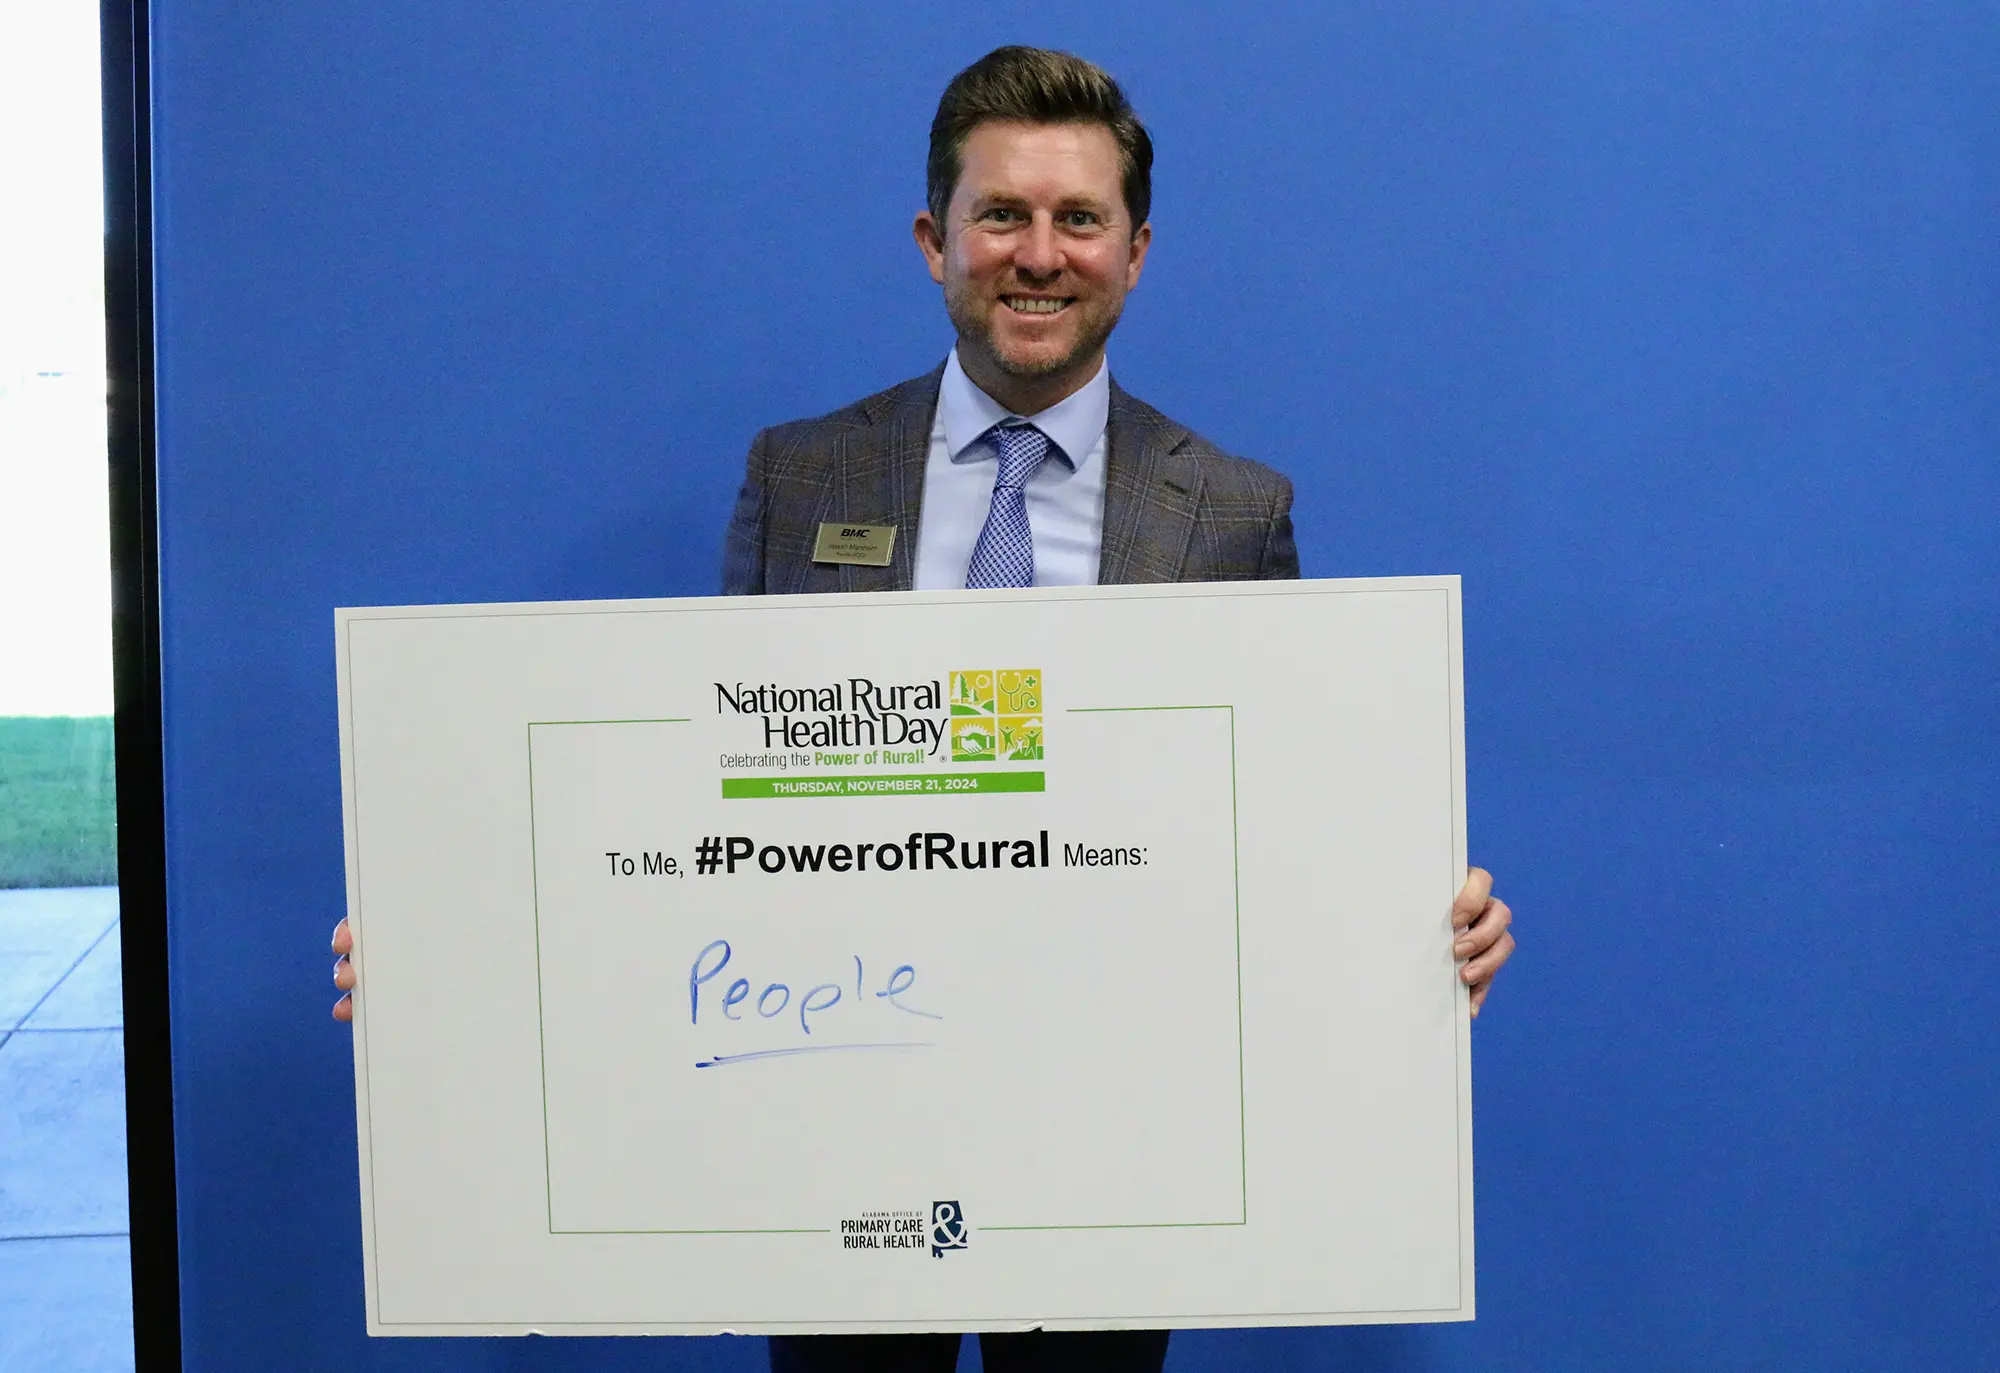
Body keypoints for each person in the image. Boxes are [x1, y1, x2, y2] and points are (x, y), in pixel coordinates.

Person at [332, 44, 1516, 1373]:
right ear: (932, 240)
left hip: (1114, 1124)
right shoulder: (803, 477)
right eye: (1000, 213)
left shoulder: (1233, 512)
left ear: (1135, 253)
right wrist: (464, 951)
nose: (1039, 255)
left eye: (1080, 219)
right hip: (835, 1112)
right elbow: (700, 801)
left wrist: (1413, 929)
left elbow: (1280, 832)